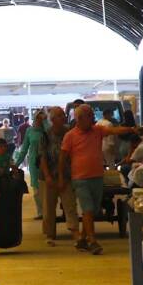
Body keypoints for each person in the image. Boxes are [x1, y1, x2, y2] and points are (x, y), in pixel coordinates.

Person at [61, 104, 138, 255]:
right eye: (90, 115)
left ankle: (82, 239)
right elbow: (62, 158)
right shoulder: (70, 136)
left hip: (97, 177)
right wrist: (62, 176)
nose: (93, 118)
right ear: (80, 118)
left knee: (92, 211)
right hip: (80, 178)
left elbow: (114, 130)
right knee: (88, 209)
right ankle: (93, 241)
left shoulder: (97, 131)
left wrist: (130, 129)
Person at [40, 106, 80, 248]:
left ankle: (75, 233)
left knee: (69, 204)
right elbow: (43, 157)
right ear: (52, 120)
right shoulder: (46, 135)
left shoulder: (69, 132)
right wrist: (47, 176)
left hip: (67, 174)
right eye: (60, 115)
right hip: (49, 176)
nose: (64, 117)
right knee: (49, 207)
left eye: (64, 115)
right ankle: (50, 235)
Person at [13, 108, 47, 220]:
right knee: (37, 190)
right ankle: (40, 212)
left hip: (47, 162)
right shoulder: (30, 131)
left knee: (46, 189)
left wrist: (45, 121)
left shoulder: (47, 130)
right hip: (34, 163)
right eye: (38, 117)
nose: (40, 120)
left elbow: (50, 135)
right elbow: (24, 149)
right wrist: (16, 164)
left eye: (42, 118)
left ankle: (48, 211)